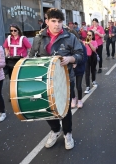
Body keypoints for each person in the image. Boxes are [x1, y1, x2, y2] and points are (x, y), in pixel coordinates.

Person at [29, 8, 83, 150]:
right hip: (44, 80)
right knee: (46, 107)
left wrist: (70, 58)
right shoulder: (38, 38)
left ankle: (68, 133)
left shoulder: (70, 37)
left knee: (64, 109)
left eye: (59, 21)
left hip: (66, 80)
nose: (57, 24)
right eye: (53, 21)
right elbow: (31, 57)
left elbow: (80, 54)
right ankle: (55, 130)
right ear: (47, 21)